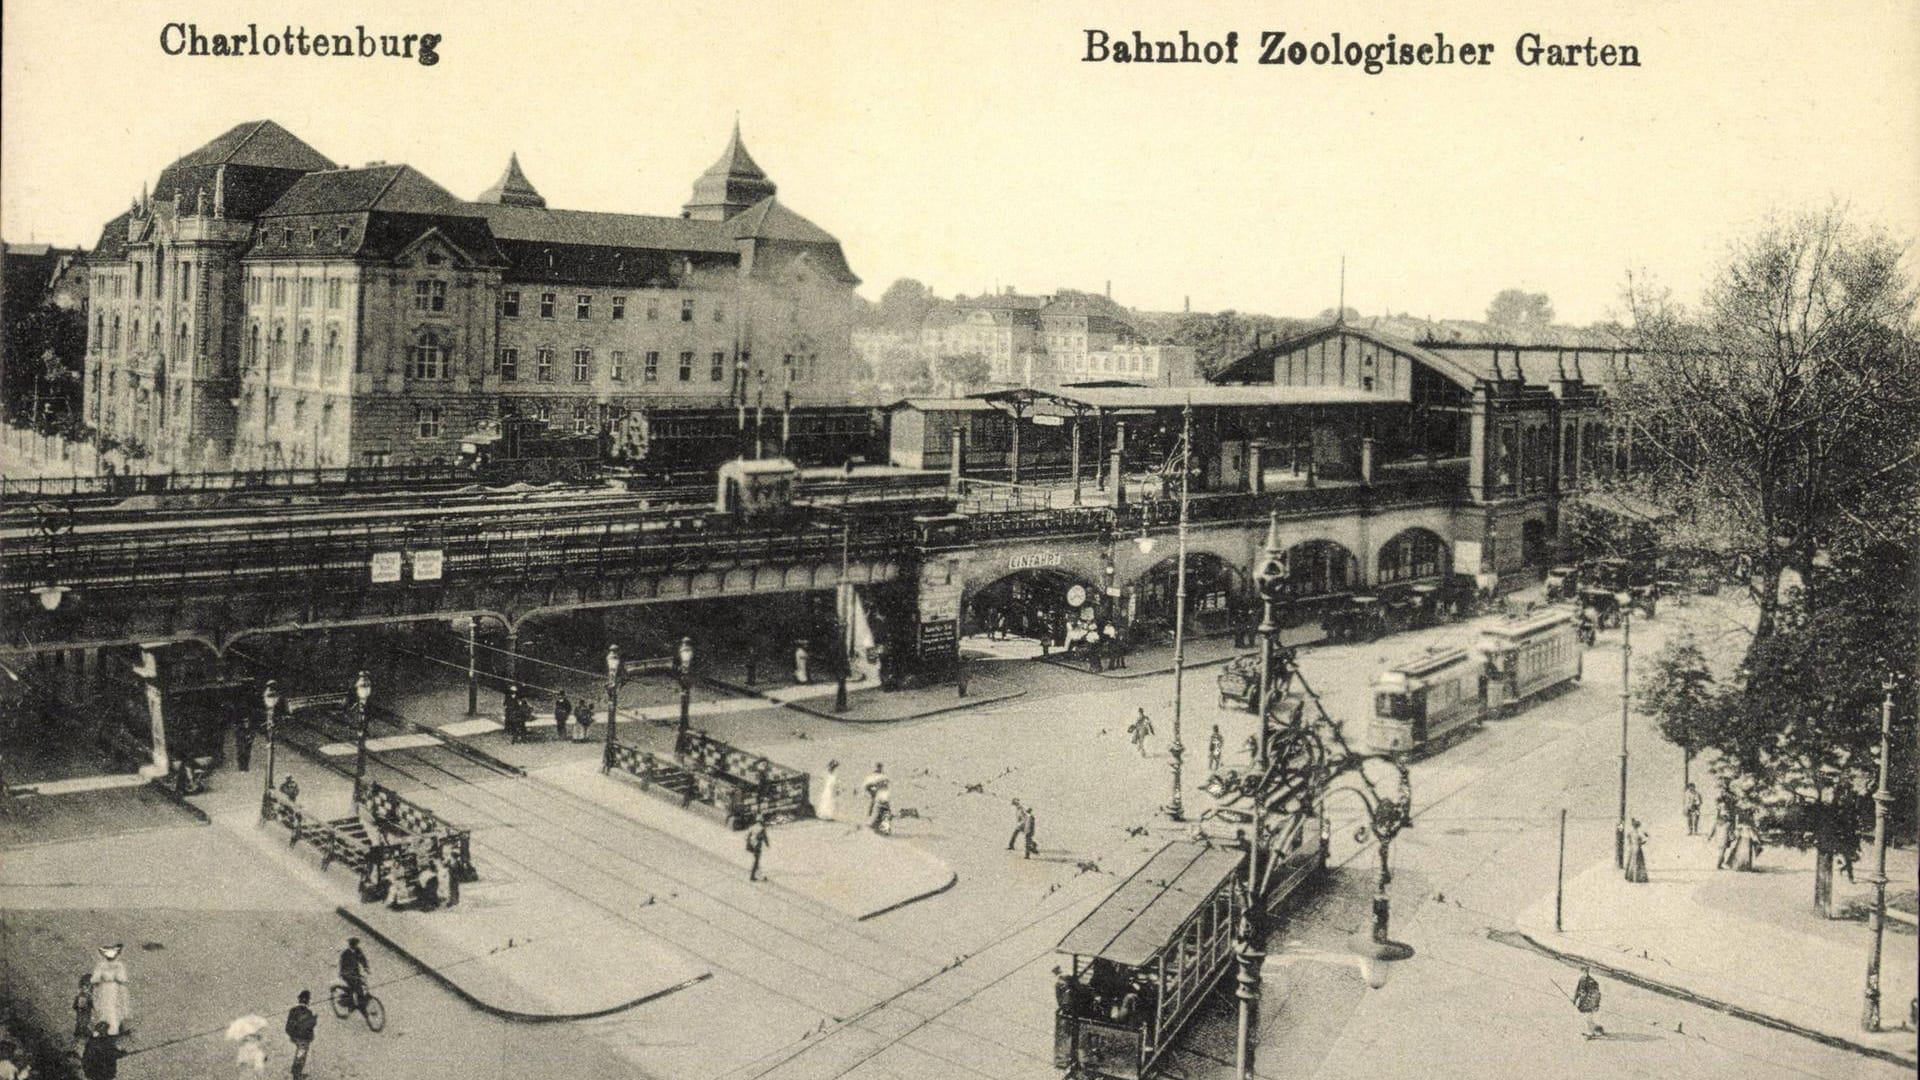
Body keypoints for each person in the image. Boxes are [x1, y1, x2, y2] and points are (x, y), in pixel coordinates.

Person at [88, 944, 129, 1036]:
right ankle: (102, 1026)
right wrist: (100, 978)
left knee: (113, 1006)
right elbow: (95, 978)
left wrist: (114, 976)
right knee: (103, 1006)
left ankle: (114, 1027)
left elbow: (123, 978)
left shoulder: (119, 965)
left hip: (114, 988)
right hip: (103, 988)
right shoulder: (101, 965)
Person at [284, 991, 317, 1080]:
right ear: (308, 1001)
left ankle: (296, 1073)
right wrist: (314, 1019)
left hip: (294, 1036)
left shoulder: (293, 1010)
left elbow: (288, 1026)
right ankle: (296, 1074)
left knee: (300, 1054)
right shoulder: (308, 1012)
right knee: (301, 1056)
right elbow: (310, 1026)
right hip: (303, 1039)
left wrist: (292, 1034)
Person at [338, 938, 371, 1009]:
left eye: (355, 944)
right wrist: (349, 973)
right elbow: (343, 965)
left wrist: (366, 967)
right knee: (355, 985)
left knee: (362, 983)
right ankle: (351, 1003)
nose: (354, 946)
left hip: (355, 973)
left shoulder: (358, 951)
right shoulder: (345, 953)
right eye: (353, 944)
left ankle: (360, 1001)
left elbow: (362, 959)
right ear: (350, 945)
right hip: (346, 973)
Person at [1572, 966, 1603, 1038]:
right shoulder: (1581, 979)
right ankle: (1597, 1029)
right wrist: (1575, 999)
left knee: (1587, 1018)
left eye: (1585, 971)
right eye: (1582, 970)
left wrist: (1596, 1005)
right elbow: (1578, 990)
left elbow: (1596, 994)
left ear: (1587, 971)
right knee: (1587, 1018)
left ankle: (1590, 1033)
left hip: (1590, 1003)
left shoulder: (1591, 981)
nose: (1584, 972)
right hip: (1583, 1002)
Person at [745, 815, 770, 881]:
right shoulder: (762, 828)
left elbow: (747, 837)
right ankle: (753, 876)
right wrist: (767, 845)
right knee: (756, 861)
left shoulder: (752, 827)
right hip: (757, 846)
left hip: (751, 846)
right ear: (761, 821)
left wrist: (750, 844)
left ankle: (757, 874)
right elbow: (765, 837)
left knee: (756, 860)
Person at [1624, 819, 1649, 883]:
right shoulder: (1638, 834)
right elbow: (1641, 842)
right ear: (1638, 826)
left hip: (1632, 848)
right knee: (1639, 863)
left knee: (1632, 862)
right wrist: (1644, 841)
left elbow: (1629, 841)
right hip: (1638, 848)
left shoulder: (1630, 833)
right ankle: (1638, 878)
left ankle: (1630, 876)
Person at [72, 972, 93, 1049]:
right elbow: (81, 1009)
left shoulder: (84, 995)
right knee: (82, 1021)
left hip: (83, 1020)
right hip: (82, 1020)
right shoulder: (83, 996)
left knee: (82, 1021)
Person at [232, 705, 254, 772]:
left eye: (247, 721)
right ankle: (241, 767)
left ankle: (246, 767)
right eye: (244, 721)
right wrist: (244, 736)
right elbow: (237, 733)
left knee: (247, 754)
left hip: (248, 741)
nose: (246, 723)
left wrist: (251, 737)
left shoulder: (250, 726)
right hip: (240, 741)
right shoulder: (239, 727)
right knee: (241, 753)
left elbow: (253, 732)